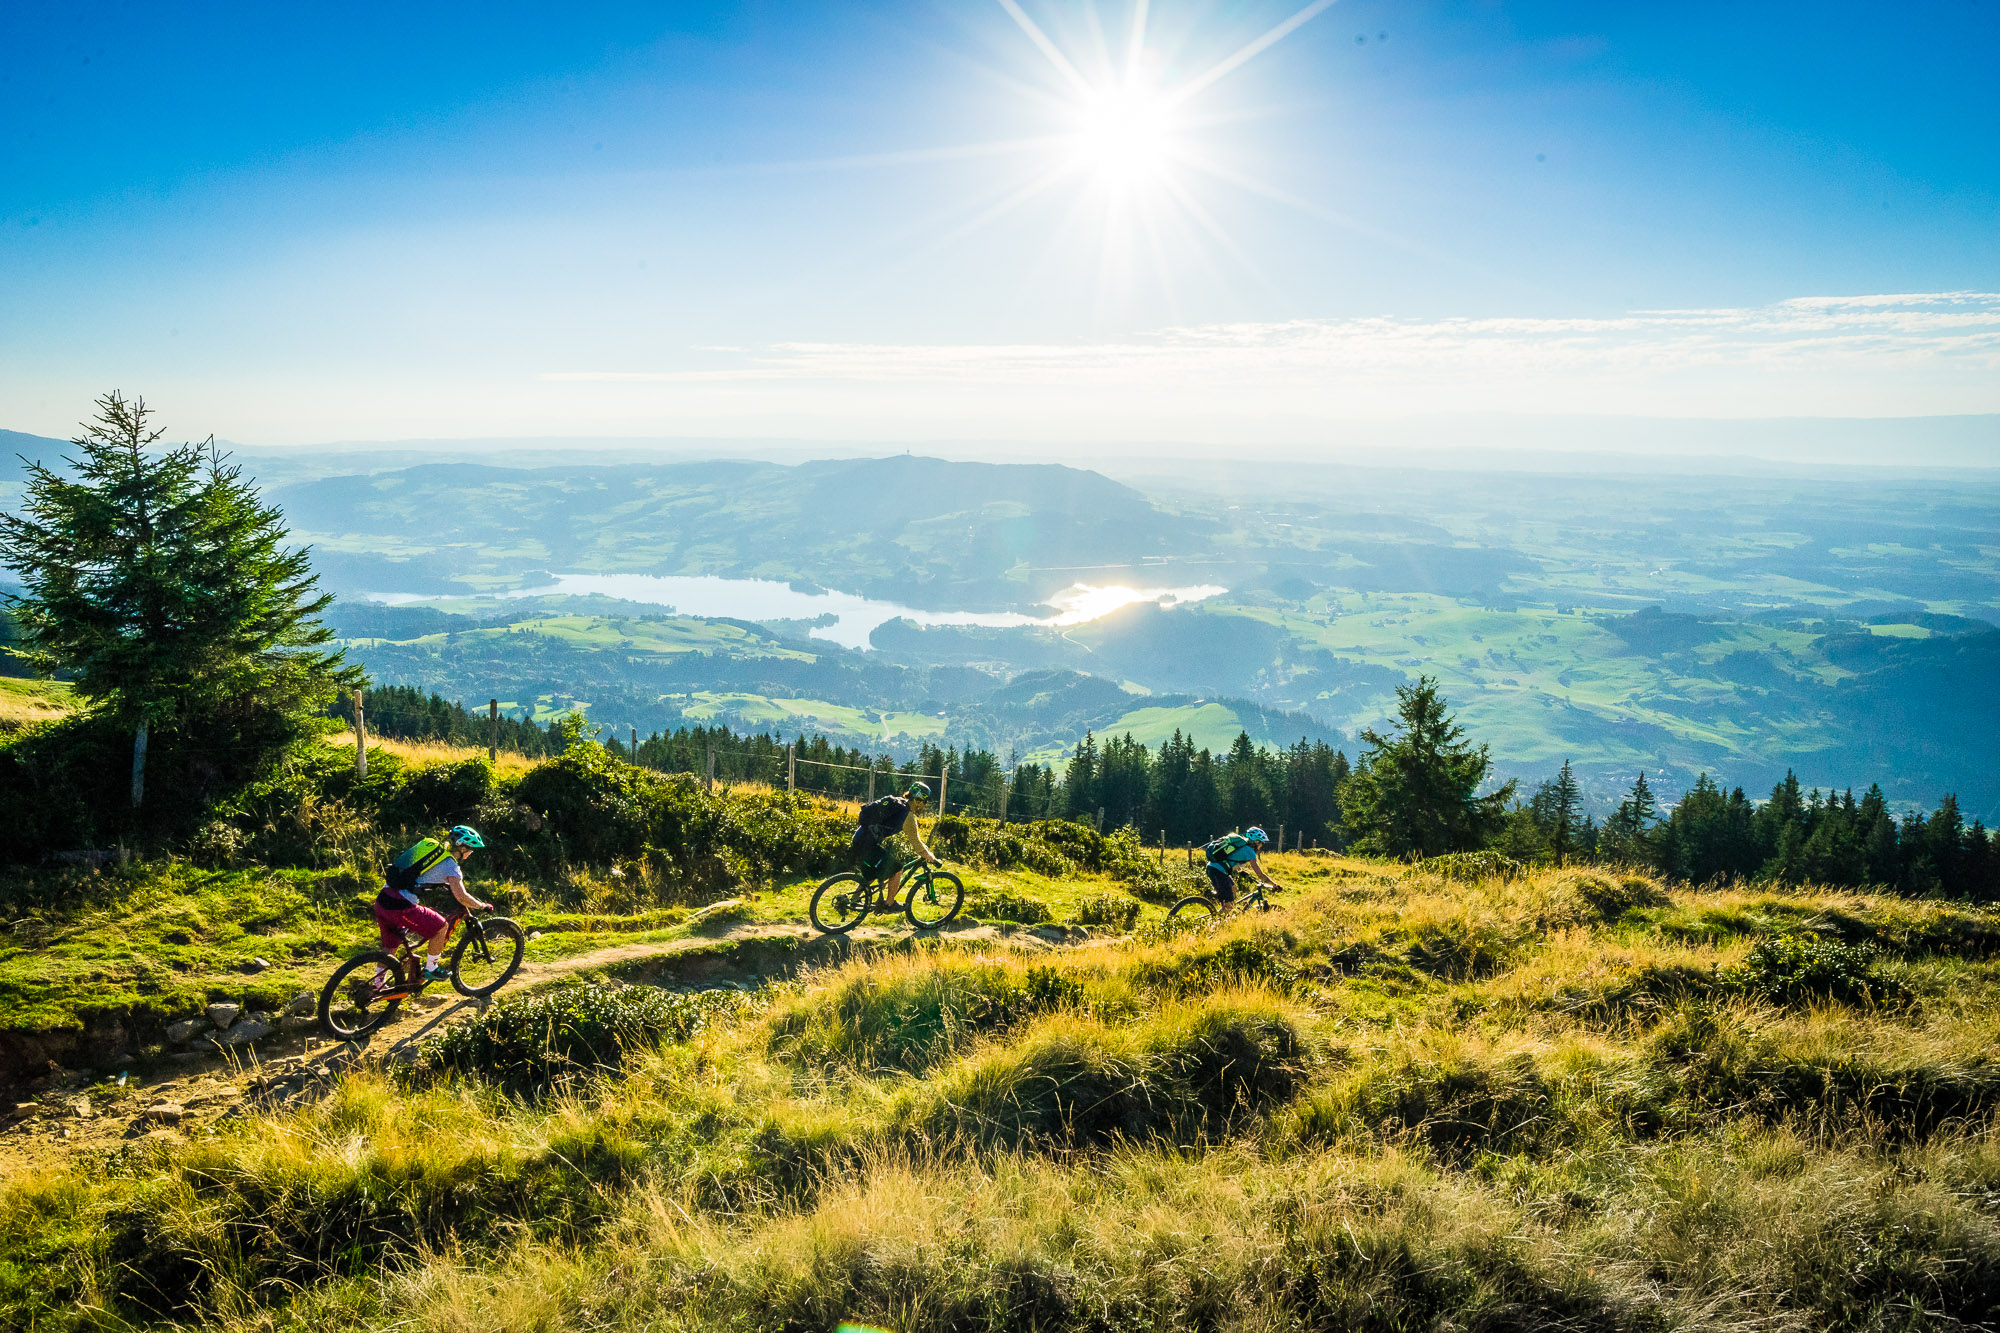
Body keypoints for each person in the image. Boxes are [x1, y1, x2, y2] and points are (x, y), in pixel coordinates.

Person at [372, 824, 490, 987]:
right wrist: (482, 905)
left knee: (390, 947)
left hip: (383, 900)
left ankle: (377, 985)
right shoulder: (451, 865)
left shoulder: (433, 852)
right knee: (441, 926)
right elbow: (461, 897)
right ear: (461, 847)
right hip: (401, 906)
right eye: (470, 849)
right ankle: (431, 969)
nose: (470, 853)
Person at [850, 780, 939, 908]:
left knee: (872, 873)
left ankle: (853, 900)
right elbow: (917, 844)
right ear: (919, 800)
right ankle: (889, 904)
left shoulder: (897, 803)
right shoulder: (907, 816)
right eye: (924, 802)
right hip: (867, 844)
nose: (924, 805)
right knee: (897, 869)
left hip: (859, 839)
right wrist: (932, 858)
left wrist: (926, 850)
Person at [1203, 826, 1279, 911]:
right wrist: (1274, 885)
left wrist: (1243, 872)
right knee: (1229, 904)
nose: (1261, 846)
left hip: (1213, 868)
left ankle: (1225, 911)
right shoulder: (1250, 851)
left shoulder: (1242, 845)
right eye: (1261, 843)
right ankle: (1220, 921)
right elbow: (1260, 874)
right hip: (1218, 871)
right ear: (1256, 841)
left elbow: (1233, 859)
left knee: (1233, 887)